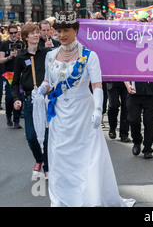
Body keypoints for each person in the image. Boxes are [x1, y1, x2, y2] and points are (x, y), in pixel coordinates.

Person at [35, 11, 135, 207]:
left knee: (86, 157)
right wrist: (41, 89)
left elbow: (97, 86)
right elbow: (49, 81)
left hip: (84, 113)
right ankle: (63, 199)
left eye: (66, 31)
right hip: (59, 116)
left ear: (76, 30)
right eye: (59, 31)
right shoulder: (50, 56)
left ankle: (89, 198)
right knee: (59, 156)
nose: (62, 35)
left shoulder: (90, 56)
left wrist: (98, 110)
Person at [12, 23, 50, 179]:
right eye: (32, 33)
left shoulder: (47, 53)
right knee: (31, 136)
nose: (36, 35)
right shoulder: (21, 57)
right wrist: (16, 99)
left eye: (37, 32)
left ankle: (47, 167)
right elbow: (15, 83)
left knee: (47, 136)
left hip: (45, 99)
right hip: (29, 100)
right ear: (26, 37)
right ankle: (39, 160)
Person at [125, 80, 153, 159]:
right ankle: (137, 141)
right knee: (133, 119)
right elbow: (125, 72)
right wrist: (127, 85)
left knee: (150, 122)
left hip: (151, 92)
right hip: (134, 93)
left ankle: (147, 148)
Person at [0, 24, 24, 128]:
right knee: (9, 97)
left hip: (20, 74)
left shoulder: (22, 44)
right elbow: (1, 60)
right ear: (8, 33)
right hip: (8, 74)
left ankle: (17, 120)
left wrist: (20, 55)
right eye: (11, 33)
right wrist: (9, 57)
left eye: (15, 33)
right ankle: (8, 116)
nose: (14, 35)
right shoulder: (4, 44)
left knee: (19, 97)